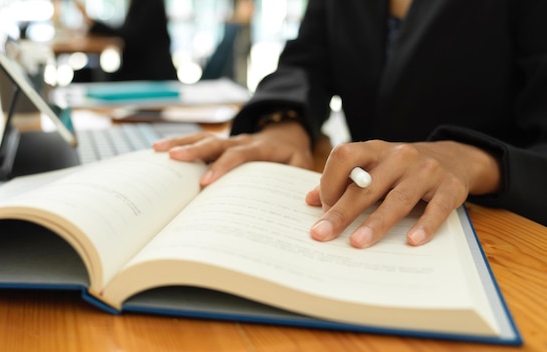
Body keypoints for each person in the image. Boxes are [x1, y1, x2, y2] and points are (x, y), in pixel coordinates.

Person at [154, 0, 547, 249]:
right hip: (363, 209)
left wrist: (472, 161)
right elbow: (306, 60)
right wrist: (283, 122)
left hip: (496, 229)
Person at [72, 0, 177, 81]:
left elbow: (131, 35)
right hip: (143, 70)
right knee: (82, 76)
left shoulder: (148, 2)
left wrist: (94, 24)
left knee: (82, 77)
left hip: (150, 74)